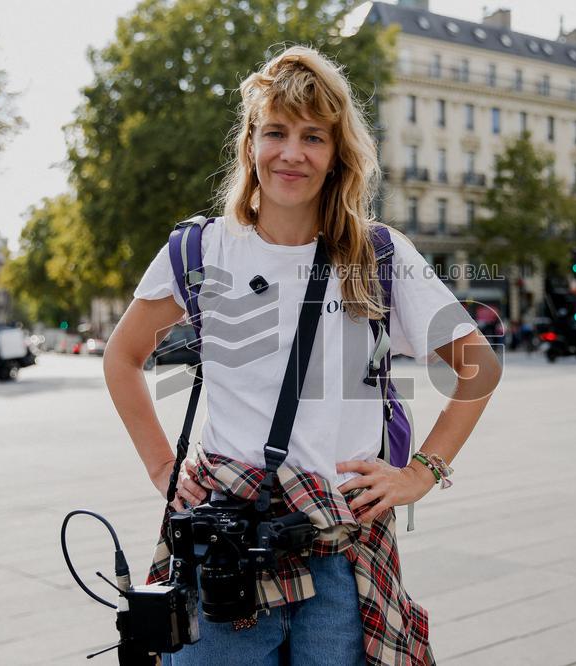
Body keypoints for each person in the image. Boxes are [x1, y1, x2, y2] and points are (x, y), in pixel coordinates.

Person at [102, 46, 501, 665]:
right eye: (276, 132)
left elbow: (479, 364)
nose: (292, 153)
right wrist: (161, 466)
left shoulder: (381, 256)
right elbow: (122, 356)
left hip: (342, 554)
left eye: (314, 136)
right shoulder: (202, 251)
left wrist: (421, 472)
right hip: (226, 548)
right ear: (250, 144)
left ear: (337, 154)